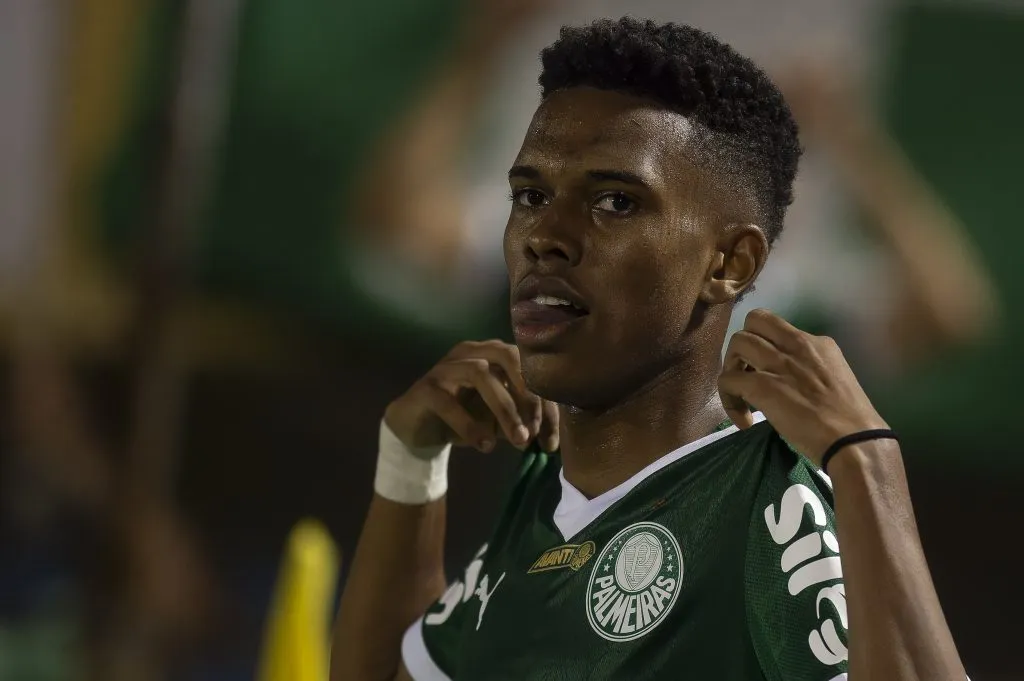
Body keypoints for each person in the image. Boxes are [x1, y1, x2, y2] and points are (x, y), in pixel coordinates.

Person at [331, 18, 967, 681]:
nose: (544, 234)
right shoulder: (547, 500)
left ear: (730, 263)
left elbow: (951, 309)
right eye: (530, 196)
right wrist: (410, 464)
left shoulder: (767, 506)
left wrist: (867, 463)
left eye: (614, 201)